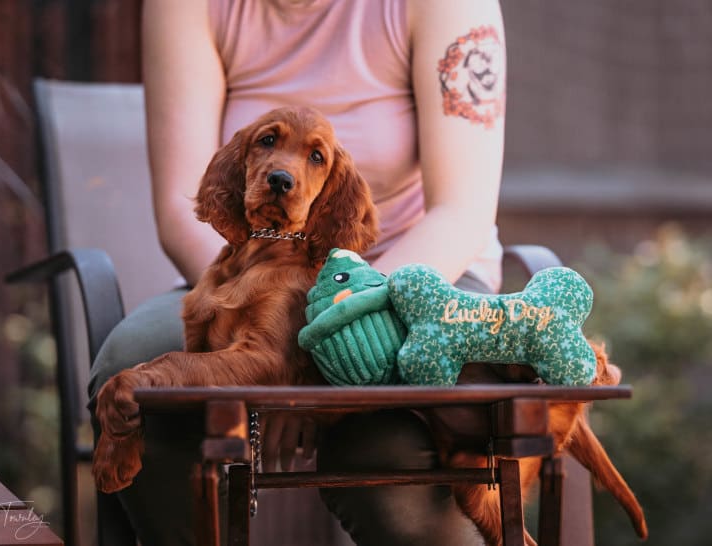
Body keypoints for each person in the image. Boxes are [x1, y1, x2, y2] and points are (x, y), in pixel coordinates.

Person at [88, 0, 507, 544]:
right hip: (249, 265)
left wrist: (314, 341)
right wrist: (263, 325)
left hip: (416, 278)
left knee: (381, 453)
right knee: (132, 362)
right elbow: (181, 199)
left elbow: (462, 211)